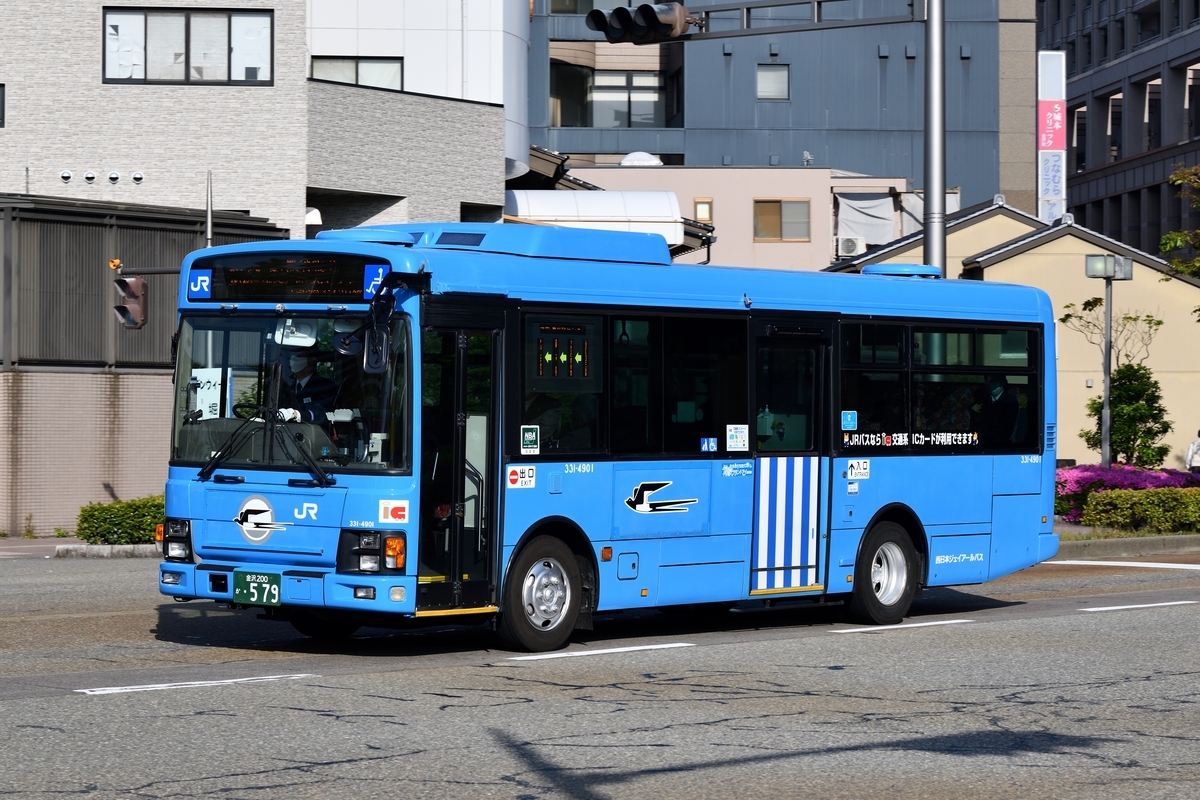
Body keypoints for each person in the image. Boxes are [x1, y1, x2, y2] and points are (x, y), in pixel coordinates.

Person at [279, 346, 337, 423]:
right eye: (292, 354)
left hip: (314, 433)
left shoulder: (325, 386)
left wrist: (297, 415)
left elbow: (321, 412)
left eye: (298, 355)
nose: (293, 358)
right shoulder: (288, 388)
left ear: (311, 360)